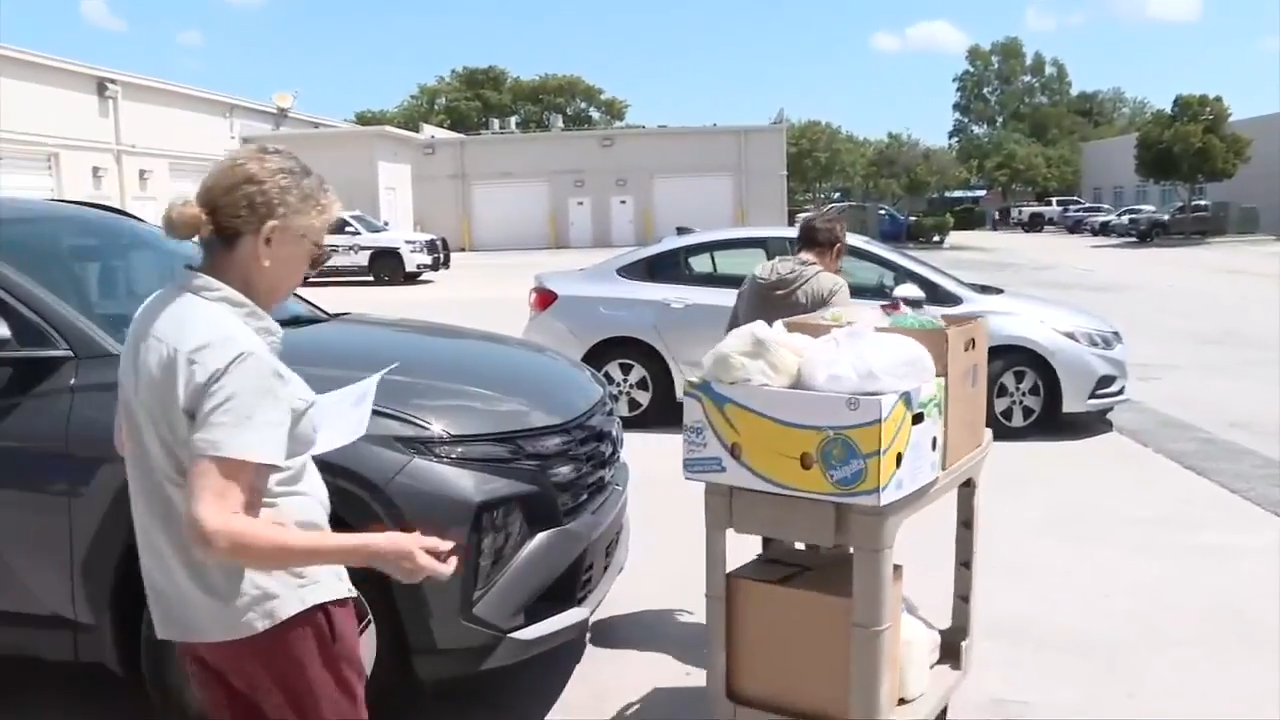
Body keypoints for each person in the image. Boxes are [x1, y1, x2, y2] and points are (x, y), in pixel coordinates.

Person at [116, 144, 458, 720]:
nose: (312, 267)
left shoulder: (160, 313)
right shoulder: (236, 354)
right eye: (314, 247)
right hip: (277, 614)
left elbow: (131, 440)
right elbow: (218, 528)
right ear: (270, 239)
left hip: (195, 613)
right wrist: (380, 549)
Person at [724, 210, 851, 333]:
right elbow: (839, 342)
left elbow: (732, 333)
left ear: (799, 245)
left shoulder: (756, 275)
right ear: (837, 250)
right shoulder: (833, 288)